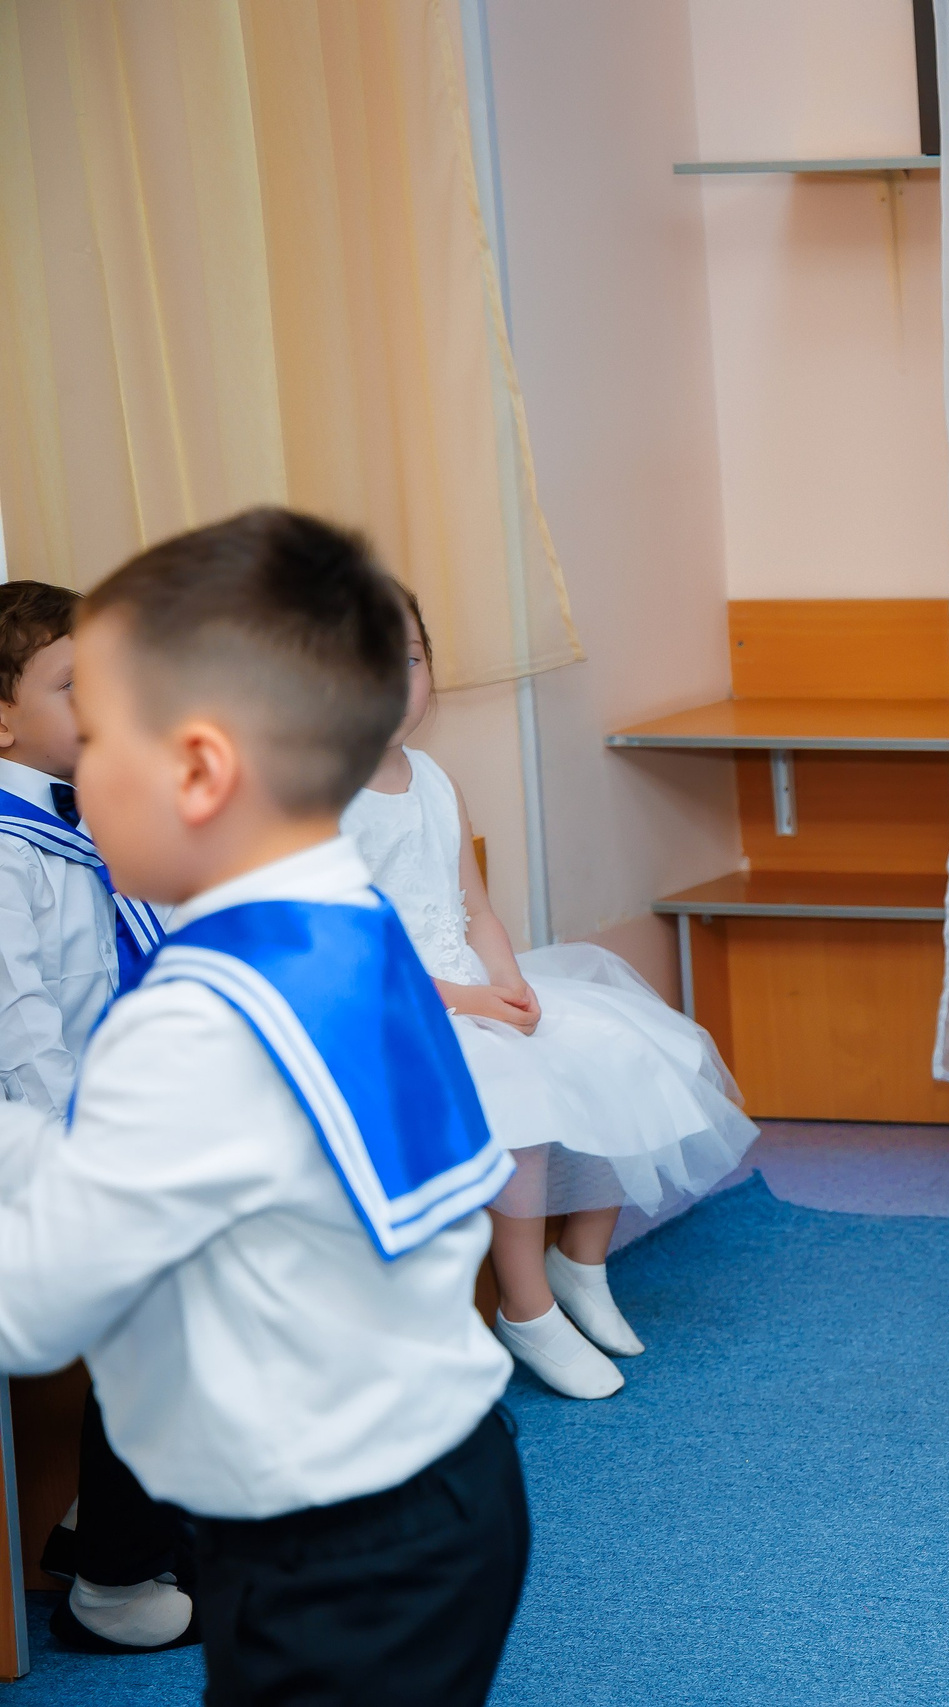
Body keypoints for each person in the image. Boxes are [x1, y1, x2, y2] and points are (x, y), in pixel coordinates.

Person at [0, 508, 529, 1704]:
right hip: (451, 1475)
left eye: (97, 740)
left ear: (197, 768)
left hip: (331, 1541)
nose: (77, 775)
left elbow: (34, 1304)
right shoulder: (346, 920)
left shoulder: (195, 1024)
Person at [343, 591, 755, 1400]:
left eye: (411, 659)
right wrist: (470, 998)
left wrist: (510, 981)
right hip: (398, 1004)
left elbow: (475, 906)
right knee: (521, 1100)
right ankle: (525, 1307)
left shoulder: (433, 779)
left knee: (620, 1052)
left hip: (472, 981)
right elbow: (358, 956)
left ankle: (580, 1263)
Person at [0, 583, 190, 1652]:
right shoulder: (6, 844)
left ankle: (111, 1523)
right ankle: (114, 1575)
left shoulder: (86, 824)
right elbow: (19, 1023)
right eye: (77, 684)